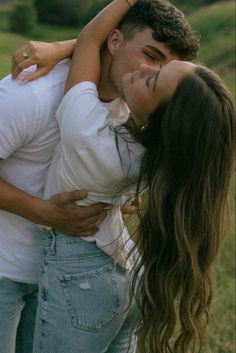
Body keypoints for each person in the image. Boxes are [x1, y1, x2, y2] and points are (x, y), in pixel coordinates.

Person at [17, 1, 235, 353]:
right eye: (155, 63)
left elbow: (90, 40)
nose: (141, 71)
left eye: (150, 82)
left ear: (163, 119)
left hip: (82, 281)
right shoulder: (160, 153)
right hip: (127, 272)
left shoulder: (89, 134)